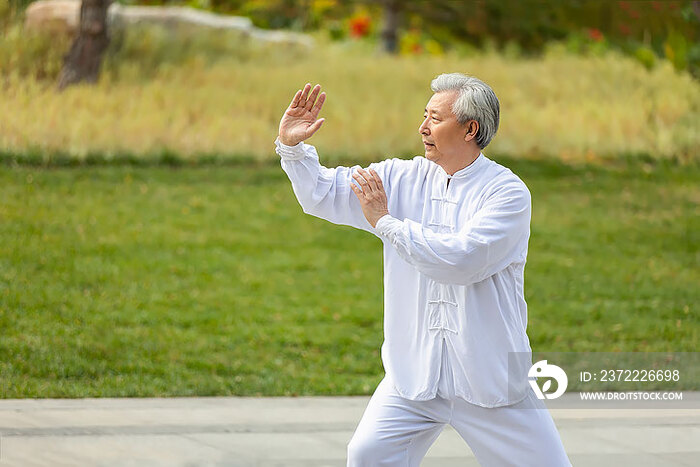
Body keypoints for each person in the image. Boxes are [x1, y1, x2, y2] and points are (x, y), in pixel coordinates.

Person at [275, 74, 571, 466]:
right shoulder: (401, 177)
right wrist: (293, 149)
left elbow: (462, 260)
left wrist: (386, 223)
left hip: (488, 381)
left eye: (435, 117)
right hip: (414, 378)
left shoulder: (507, 193)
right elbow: (325, 193)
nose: (423, 127)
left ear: (471, 129)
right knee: (368, 455)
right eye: (424, 115)